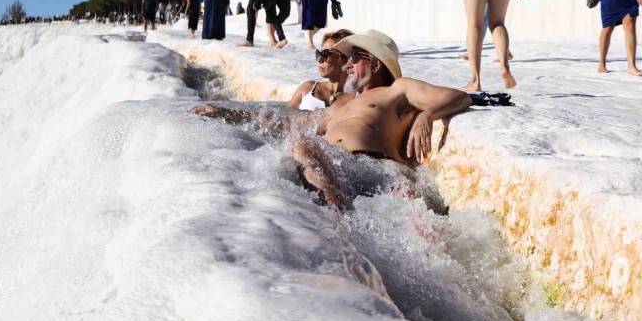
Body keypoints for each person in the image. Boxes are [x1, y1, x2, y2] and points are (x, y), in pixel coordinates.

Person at [190, 29, 474, 208]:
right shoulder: (342, 106)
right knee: (300, 141)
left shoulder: (397, 90)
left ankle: (340, 223)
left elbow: (459, 97)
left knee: (413, 208)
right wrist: (225, 112)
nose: (347, 64)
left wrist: (427, 115)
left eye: (354, 58)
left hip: (378, 170)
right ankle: (338, 224)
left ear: (375, 63)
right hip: (335, 169)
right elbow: (284, 122)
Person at [286, 29, 355, 110]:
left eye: (325, 54)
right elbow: (283, 118)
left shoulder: (356, 96)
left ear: (345, 59)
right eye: (319, 53)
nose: (319, 59)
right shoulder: (308, 88)